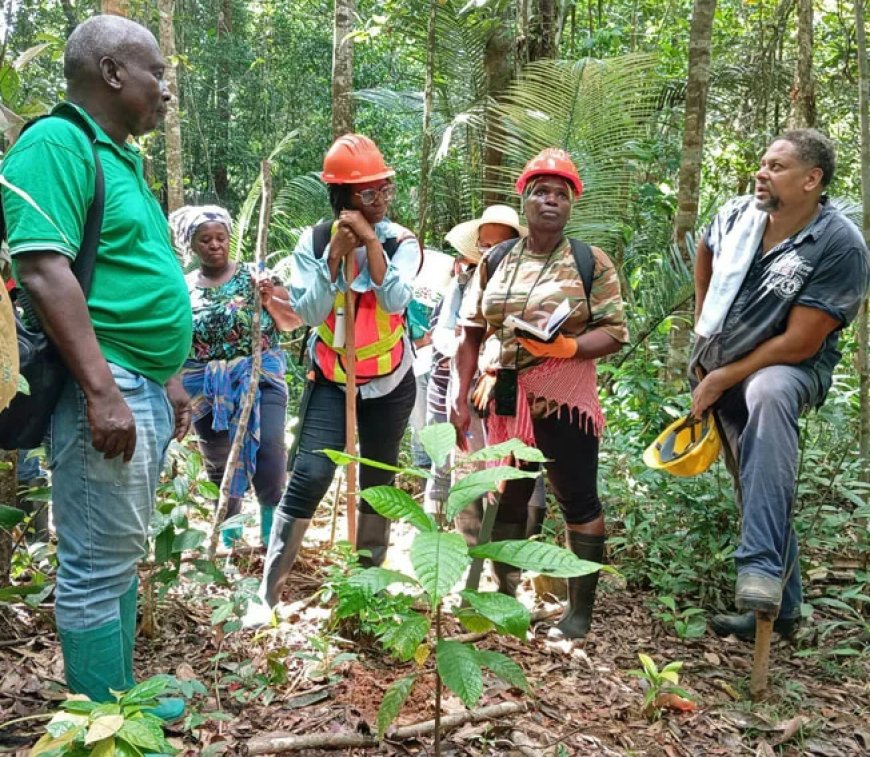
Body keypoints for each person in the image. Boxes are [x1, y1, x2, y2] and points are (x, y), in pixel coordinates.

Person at [0, 16, 193, 716]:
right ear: (112, 73)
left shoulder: (121, 160)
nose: (166, 90)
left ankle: (121, 697)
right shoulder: (58, 143)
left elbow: (131, 275)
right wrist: (103, 389)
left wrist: (169, 377)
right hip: (104, 387)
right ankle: (103, 721)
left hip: (137, 381)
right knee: (93, 564)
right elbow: (44, 269)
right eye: (157, 73)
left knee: (118, 550)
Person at [690, 129, 869, 640]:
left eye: (777, 166)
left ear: (812, 180)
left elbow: (799, 343)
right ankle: (781, 612)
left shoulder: (838, 244)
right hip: (723, 363)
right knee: (759, 480)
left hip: (792, 369)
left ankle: (760, 569)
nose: (761, 172)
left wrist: (723, 374)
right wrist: (707, 330)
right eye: (762, 162)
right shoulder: (736, 215)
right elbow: (706, 248)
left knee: (768, 389)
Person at [451, 149, 628, 639]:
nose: (550, 200)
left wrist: (570, 345)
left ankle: (579, 613)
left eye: (560, 193)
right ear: (524, 198)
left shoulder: (591, 263)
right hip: (502, 392)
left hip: (560, 397)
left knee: (578, 499)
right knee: (506, 496)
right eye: (540, 191)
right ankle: (503, 602)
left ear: (571, 204)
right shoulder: (496, 258)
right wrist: (461, 393)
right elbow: (470, 332)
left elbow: (614, 331)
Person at [244, 134, 420, 626]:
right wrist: (333, 259)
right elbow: (311, 310)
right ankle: (268, 595)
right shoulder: (314, 241)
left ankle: (366, 588)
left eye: (384, 188)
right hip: (330, 377)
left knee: (378, 480)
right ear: (342, 196)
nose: (380, 199)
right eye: (367, 193)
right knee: (313, 474)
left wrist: (368, 242)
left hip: (388, 380)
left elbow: (393, 302)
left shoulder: (401, 240)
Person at [169, 205, 301, 549]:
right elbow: (176, 338)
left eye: (220, 238)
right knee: (218, 458)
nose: (214, 245)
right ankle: (230, 540)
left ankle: (273, 540)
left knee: (270, 448)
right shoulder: (183, 288)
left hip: (260, 376)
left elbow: (291, 322)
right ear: (192, 246)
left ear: (230, 240)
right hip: (204, 385)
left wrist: (268, 298)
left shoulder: (257, 275)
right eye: (205, 240)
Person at [427, 206, 531, 542]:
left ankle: (508, 556)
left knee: (515, 468)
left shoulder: (535, 283)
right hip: (469, 384)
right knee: (469, 465)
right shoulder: (465, 283)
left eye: (501, 244)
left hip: (518, 390)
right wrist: (465, 346)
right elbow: (445, 332)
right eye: (486, 245)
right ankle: (471, 548)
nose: (493, 252)